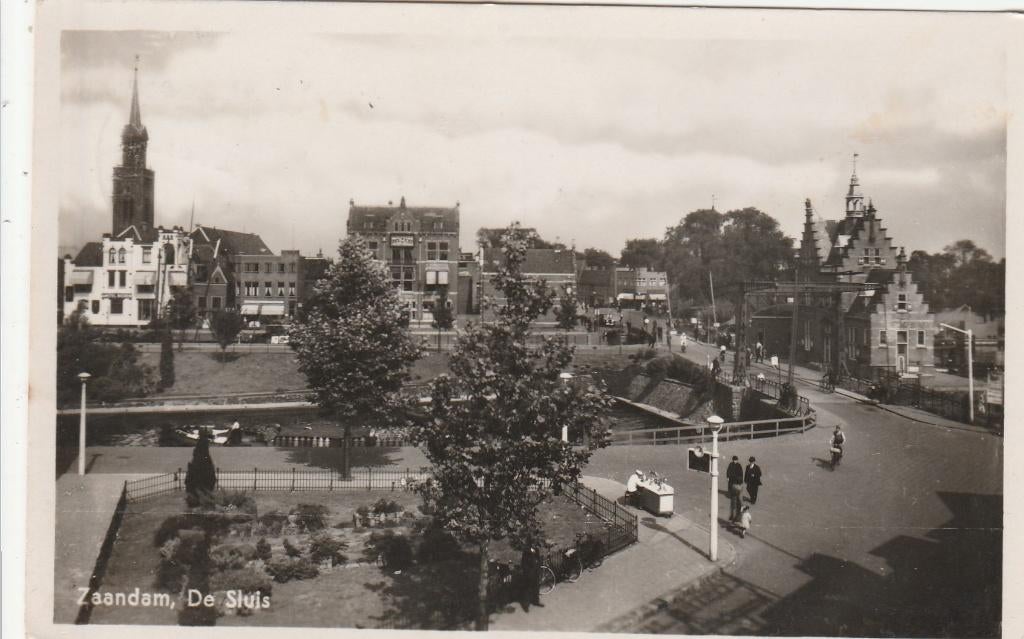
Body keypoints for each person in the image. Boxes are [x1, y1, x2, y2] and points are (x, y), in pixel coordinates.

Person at [726, 456, 744, 521]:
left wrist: (740, 480)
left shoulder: (739, 465)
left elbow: (741, 473)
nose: (735, 461)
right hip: (731, 479)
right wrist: (728, 477)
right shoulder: (730, 464)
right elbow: (728, 470)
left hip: (736, 480)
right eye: (734, 460)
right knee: (730, 487)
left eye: (736, 460)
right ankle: (732, 493)